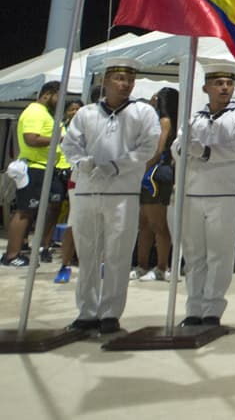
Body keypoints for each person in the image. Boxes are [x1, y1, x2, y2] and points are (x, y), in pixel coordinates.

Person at [60, 57, 161, 334]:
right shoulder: (87, 113)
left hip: (122, 192)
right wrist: (82, 162)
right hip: (88, 190)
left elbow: (148, 146)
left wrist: (118, 166)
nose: (125, 84)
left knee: (117, 254)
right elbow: (70, 144)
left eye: (129, 79)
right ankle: (87, 311)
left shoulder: (143, 112)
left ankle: (110, 313)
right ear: (105, 81)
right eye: (119, 78)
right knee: (88, 252)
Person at [176, 59, 235, 327]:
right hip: (194, 194)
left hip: (224, 195)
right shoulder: (194, 119)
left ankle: (212, 308)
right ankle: (193, 308)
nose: (225, 88)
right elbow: (177, 147)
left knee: (219, 254)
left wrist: (204, 152)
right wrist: (185, 149)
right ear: (206, 87)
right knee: (194, 254)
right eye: (218, 83)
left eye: (229, 83)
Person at [3, 80, 67, 268]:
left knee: (39, 210)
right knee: (24, 211)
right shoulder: (34, 112)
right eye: (59, 96)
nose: (61, 101)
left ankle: (34, 248)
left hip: (46, 168)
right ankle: (11, 255)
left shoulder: (45, 114)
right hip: (34, 167)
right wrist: (61, 138)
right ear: (47, 94)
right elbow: (31, 139)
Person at [133, 87, 178, 282]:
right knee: (144, 224)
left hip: (155, 173)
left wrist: (140, 170)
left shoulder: (165, 121)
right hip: (151, 172)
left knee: (157, 224)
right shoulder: (158, 119)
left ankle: (162, 267)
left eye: (155, 97)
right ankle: (142, 265)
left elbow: (158, 150)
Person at [54, 99, 83, 284]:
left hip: (106, 181)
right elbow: (67, 148)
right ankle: (65, 265)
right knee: (73, 223)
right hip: (79, 178)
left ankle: (101, 264)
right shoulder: (77, 125)